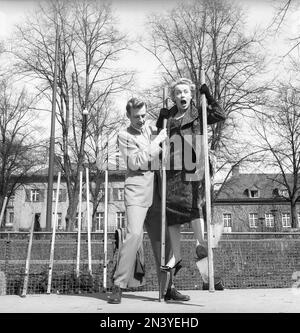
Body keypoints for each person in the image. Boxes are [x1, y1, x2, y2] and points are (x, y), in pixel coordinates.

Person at [107, 97, 190, 304]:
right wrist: (155, 143)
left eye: (144, 115)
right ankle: (118, 285)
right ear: (128, 116)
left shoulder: (152, 129)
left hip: (158, 191)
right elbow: (135, 163)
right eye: (137, 117)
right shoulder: (124, 135)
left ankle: (168, 287)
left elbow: (175, 128)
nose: (142, 120)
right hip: (137, 190)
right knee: (134, 235)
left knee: (164, 242)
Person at [156, 77, 225, 289]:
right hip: (174, 171)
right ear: (173, 97)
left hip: (195, 169)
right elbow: (159, 136)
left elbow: (220, 114)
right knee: (173, 215)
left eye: (186, 92)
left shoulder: (199, 114)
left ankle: (207, 271)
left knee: (196, 211)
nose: (182, 96)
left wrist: (209, 95)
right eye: (178, 93)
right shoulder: (170, 118)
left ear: (191, 95)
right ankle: (176, 264)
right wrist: (161, 118)